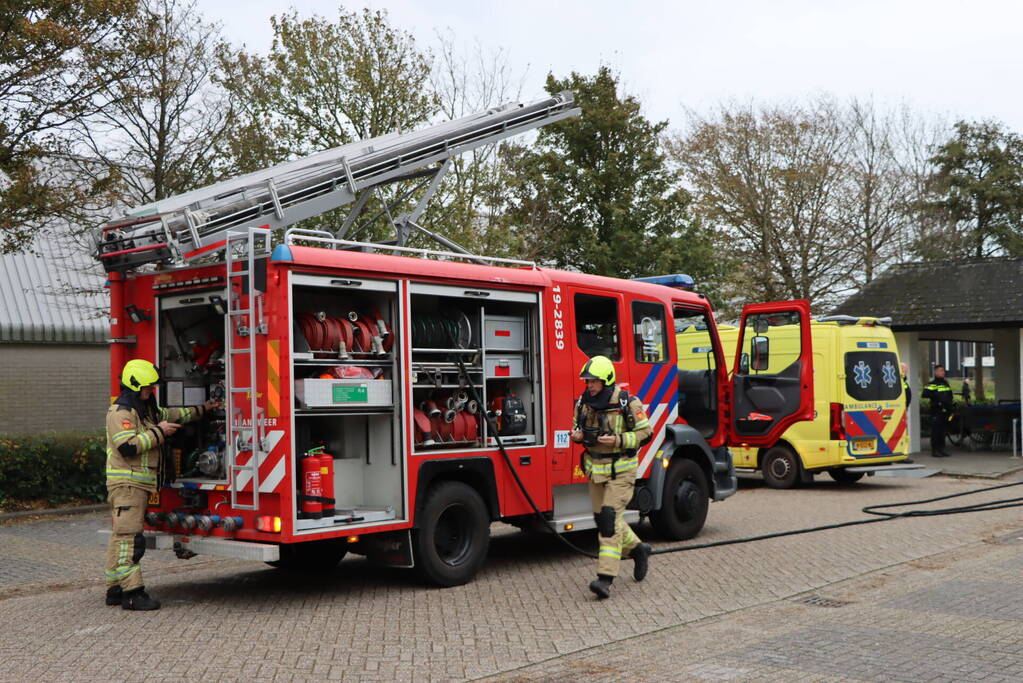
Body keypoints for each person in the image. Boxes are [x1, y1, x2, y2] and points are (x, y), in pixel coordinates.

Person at [104, 359, 218, 610]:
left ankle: (115, 589)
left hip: (138, 485)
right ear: (134, 387)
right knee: (129, 540)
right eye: (147, 388)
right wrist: (159, 432)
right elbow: (128, 446)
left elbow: (177, 414)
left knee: (120, 537)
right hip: (127, 485)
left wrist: (206, 408)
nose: (151, 391)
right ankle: (133, 593)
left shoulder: (147, 411)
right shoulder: (121, 413)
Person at [570, 356, 653, 599]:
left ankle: (605, 578)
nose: (589, 386)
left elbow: (645, 433)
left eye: (593, 381)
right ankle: (638, 549)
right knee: (605, 519)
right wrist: (576, 435)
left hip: (622, 470)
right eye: (587, 381)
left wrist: (618, 440)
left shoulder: (628, 403)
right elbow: (577, 427)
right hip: (596, 471)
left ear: (606, 380)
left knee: (608, 520)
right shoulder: (583, 404)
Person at [922, 364, 954, 458]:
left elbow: (950, 396)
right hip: (936, 411)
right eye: (940, 371)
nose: (942, 372)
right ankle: (935, 450)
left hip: (945, 411)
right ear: (935, 372)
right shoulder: (932, 384)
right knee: (936, 431)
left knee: (943, 431)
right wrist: (936, 397)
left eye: (943, 371)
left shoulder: (946, 383)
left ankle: (942, 449)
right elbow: (925, 394)